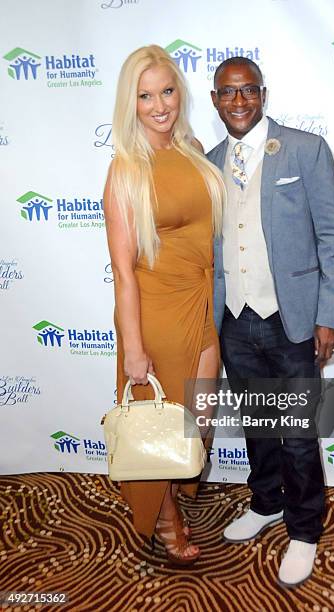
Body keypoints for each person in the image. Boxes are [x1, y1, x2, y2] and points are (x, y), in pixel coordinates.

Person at [208, 57, 334, 586]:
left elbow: (333, 239)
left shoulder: (306, 149)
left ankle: (305, 528)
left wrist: (329, 316)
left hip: (292, 318)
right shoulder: (211, 160)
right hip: (235, 319)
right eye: (227, 93)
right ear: (216, 99)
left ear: (263, 94)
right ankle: (266, 502)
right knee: (258, 427)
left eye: (247, 91)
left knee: (295, 432)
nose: (238, 102)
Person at [103, 45, 225, 565]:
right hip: (156, 313)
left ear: (180, 92)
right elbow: (123, 271)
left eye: (167, 91)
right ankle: (166, 521)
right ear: (130, 103)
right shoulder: (125, 170)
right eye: (145, 95)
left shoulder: (193, 147)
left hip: (202, 304)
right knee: (159, 421)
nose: (159, 105)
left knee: (196, 419)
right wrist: (133, 348)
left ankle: (177, 497)